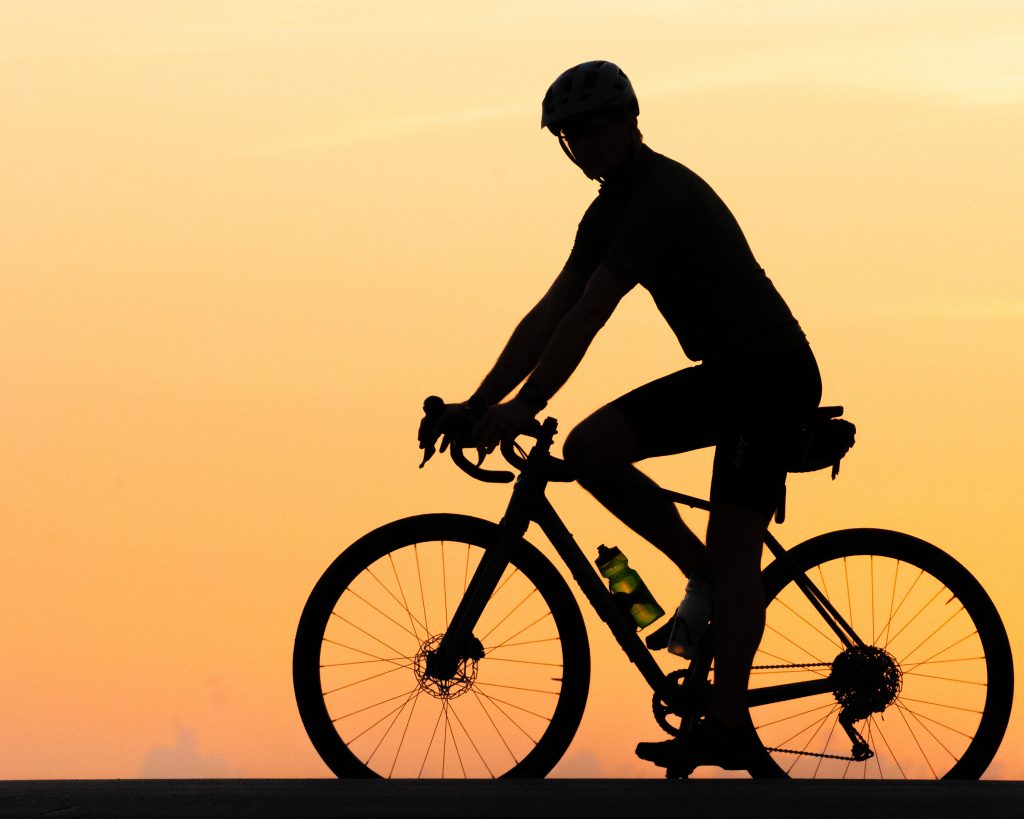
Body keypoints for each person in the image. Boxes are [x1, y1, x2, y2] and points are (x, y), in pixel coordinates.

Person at [423, 60, 822, 772]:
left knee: (727, 549)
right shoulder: (609, 207)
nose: (584, 145)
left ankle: (728, 716)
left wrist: (526, 406)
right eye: (571, 137)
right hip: (731, 375)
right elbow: (550, 312)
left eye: (594, 130)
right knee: (592, 449)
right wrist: (483, 402)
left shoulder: (656, 197)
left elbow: (590, 314)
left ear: (630, 123)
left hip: (765, 377)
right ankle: (709, 582)